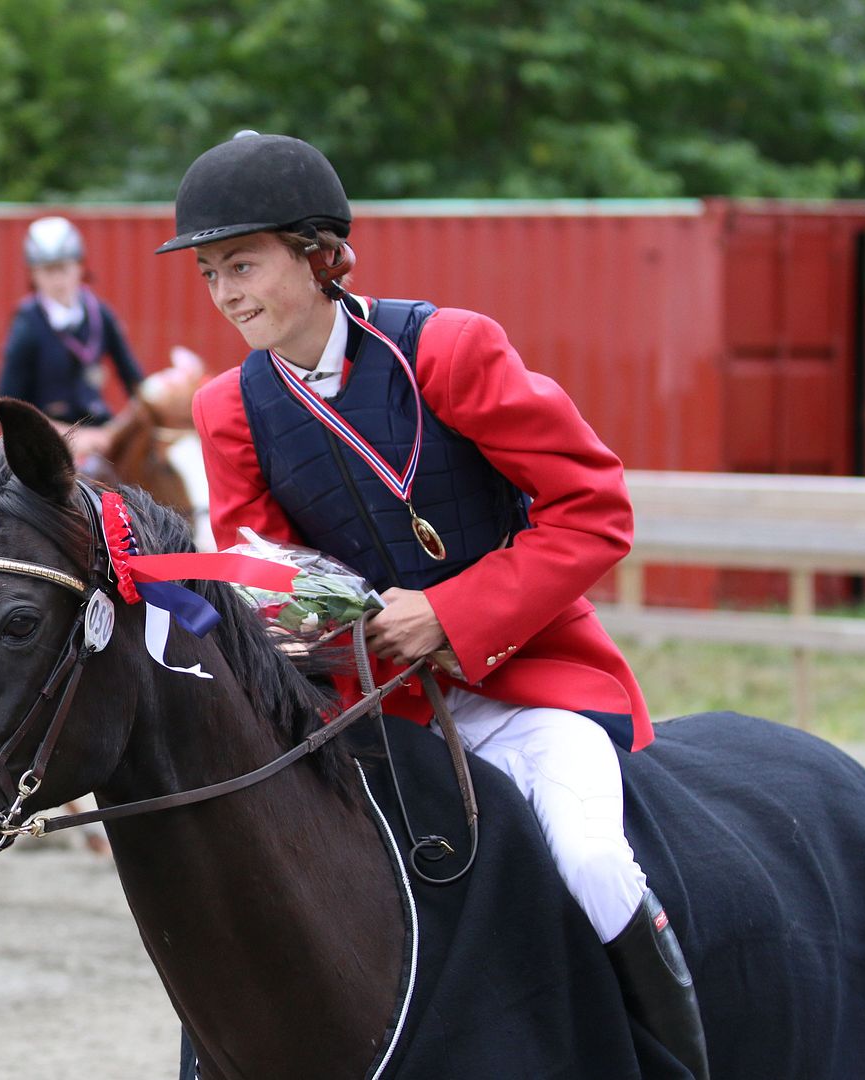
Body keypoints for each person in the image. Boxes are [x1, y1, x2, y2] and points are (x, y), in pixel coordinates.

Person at [161, 132, 710, 1079]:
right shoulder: (228, 409)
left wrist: (447, 615)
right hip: (375, 719)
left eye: (243, 264)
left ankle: (672, 1060)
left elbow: (594, 509)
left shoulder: (450, 350)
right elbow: (261, 576)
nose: (226, 293)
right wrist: (284, 621)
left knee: (588, 859)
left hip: (530, 691)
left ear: (322, 256)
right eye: (211, 273)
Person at [0, 216, 145, 459]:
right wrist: (69, 435)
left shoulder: (100, 314)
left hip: (101, 433)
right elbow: (5, 406)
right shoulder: (26, 324)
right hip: (50, 442)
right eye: (47, 271)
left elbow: (136, 385)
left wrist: (117, 430)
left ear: (79, 266)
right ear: (33, 274)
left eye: (63, 268)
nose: (57, 280)